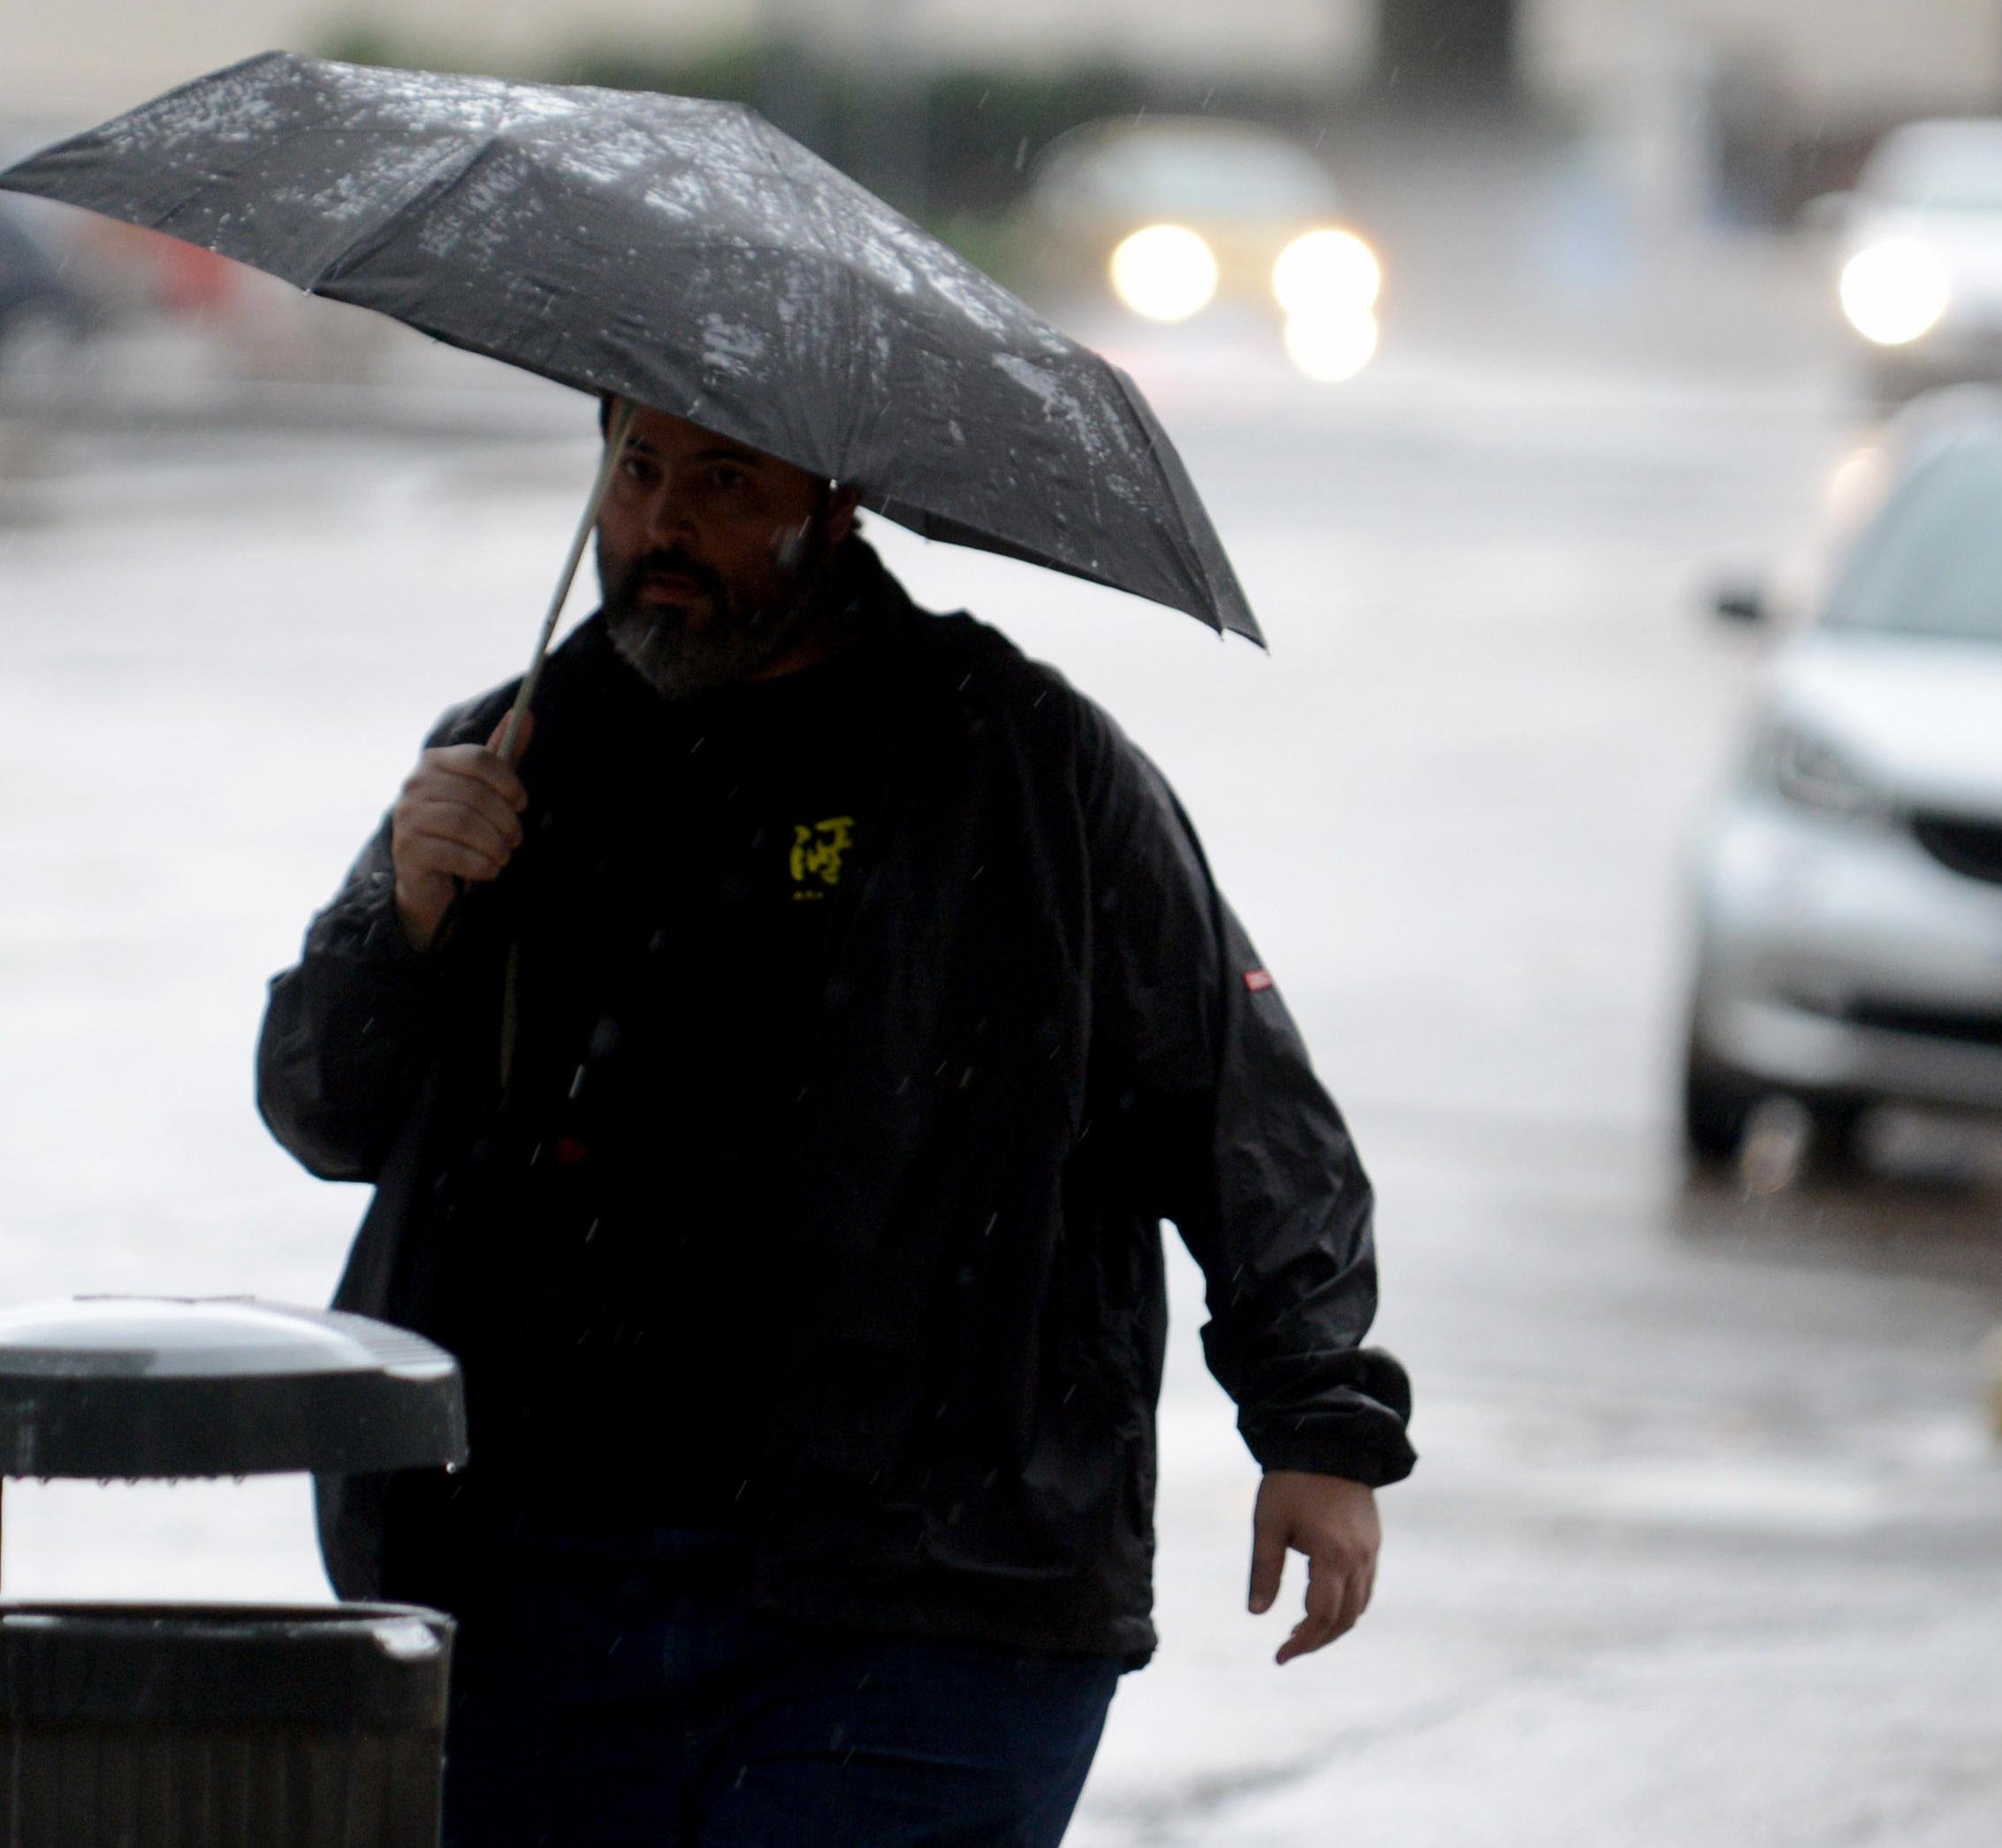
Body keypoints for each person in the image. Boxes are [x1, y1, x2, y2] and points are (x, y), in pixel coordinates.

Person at [256, 399, 1412, 1846]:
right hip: (539, 1573)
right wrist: (407, 912)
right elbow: (321, 1106)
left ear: (839, 504)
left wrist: (1321, 1422)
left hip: (927, 1587)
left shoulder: (1024, 764)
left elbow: (1236, 1104)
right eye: (638, 471)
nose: (663, 526)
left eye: (725, 483)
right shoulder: (512, 759)